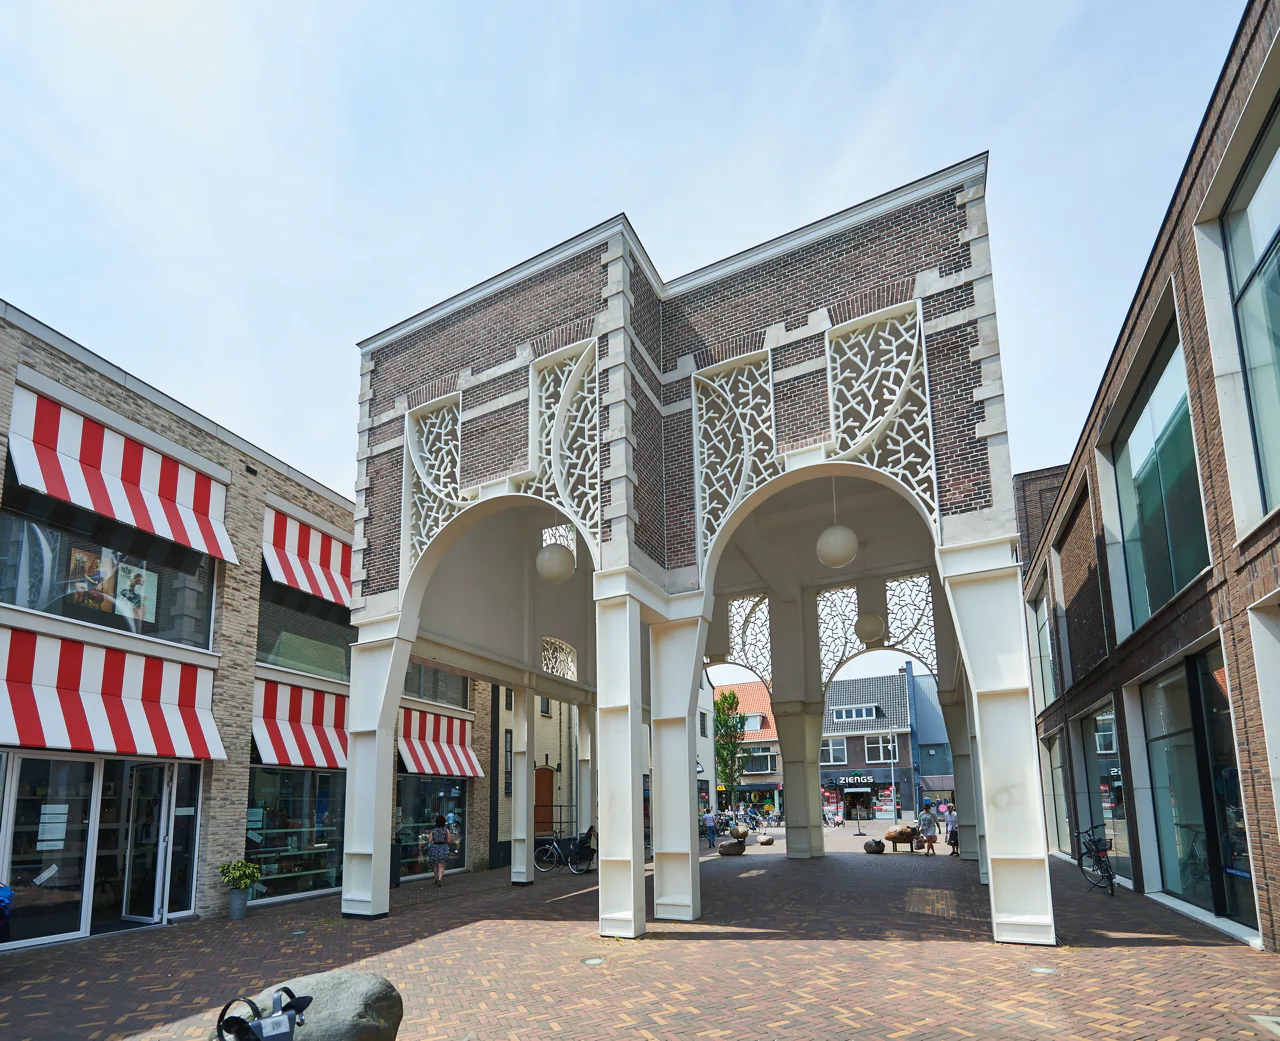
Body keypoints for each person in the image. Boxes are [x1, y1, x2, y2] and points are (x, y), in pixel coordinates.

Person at [427, 813, 450, 886]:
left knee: (435, 865)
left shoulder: (433, 831)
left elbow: (430, 840)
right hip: (443, 847)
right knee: (441, 865)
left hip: (435, 847)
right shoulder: (446, 830)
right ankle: (440, 879)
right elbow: (449, 840)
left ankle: (436, 879)